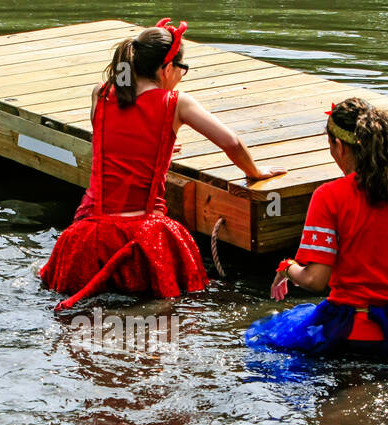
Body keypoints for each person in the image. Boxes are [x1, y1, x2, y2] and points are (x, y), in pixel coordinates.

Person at [40, 18, 284, 311]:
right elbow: (231, 143)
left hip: (90, 234)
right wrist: (254, 172)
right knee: (162, 305)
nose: (182, 75)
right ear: (166, 68)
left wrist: (160, 145)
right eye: (182, 68)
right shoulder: (176, 103)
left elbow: (109, 139)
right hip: (142, 235)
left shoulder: (101, 93)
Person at [245, 98, 388, 366]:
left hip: (341, 335)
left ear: (339, 146)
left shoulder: (328, 197)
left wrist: (286, 267)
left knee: (267, 343)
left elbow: (316, 280)